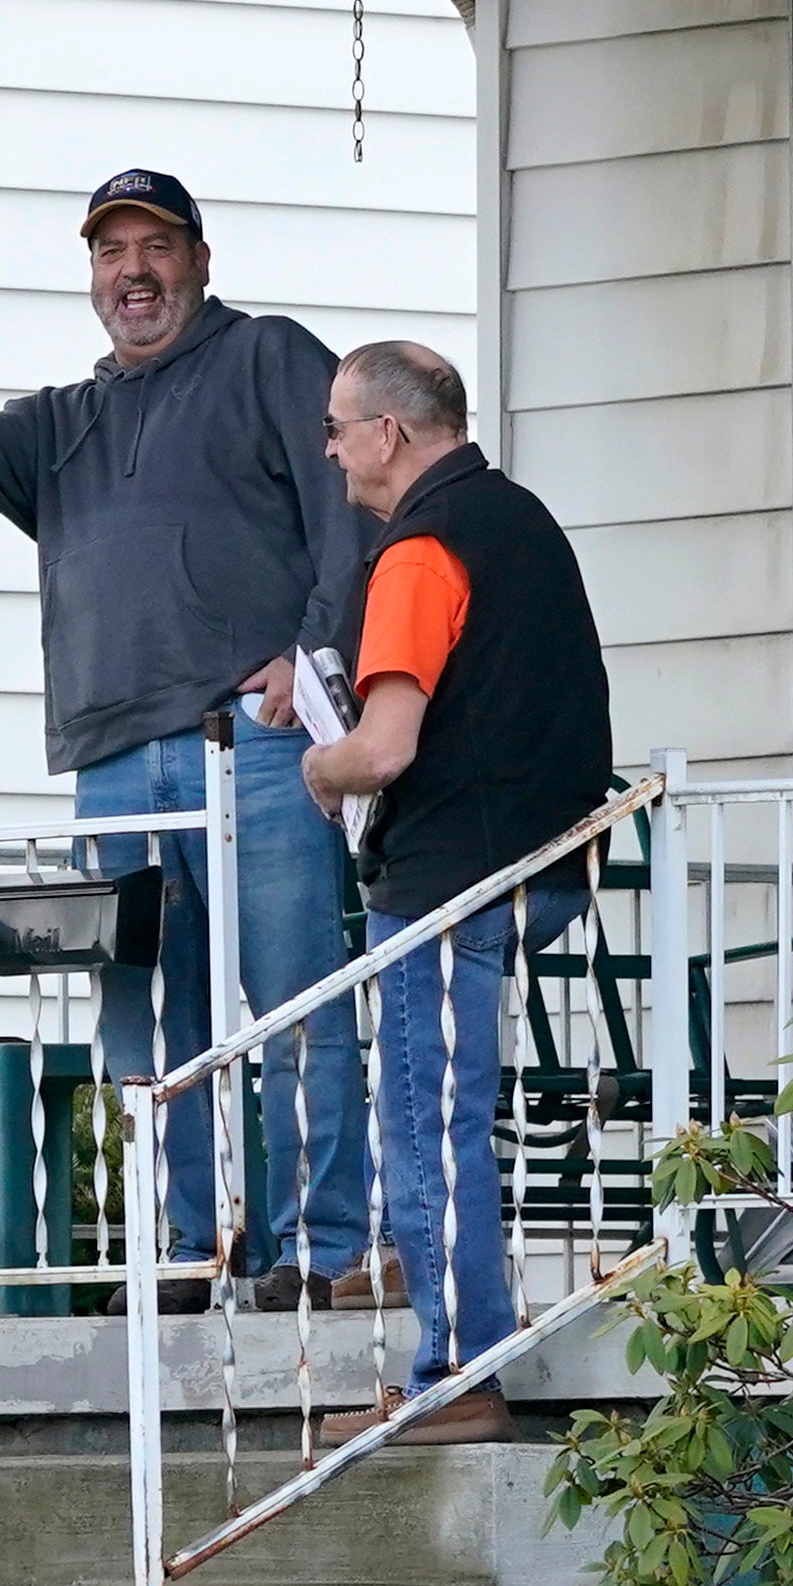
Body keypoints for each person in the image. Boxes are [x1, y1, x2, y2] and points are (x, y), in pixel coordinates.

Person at [0, 168, 376, 1305]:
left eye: (154, 245)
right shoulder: (65, 421)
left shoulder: (266, 357)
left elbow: (352, 505)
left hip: (258, 743)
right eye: (108, 250)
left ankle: (320, 1252)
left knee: (293, 999)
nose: (131, 270)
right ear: (92, 274)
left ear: (198, 258)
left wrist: (313, 649)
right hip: (113, 760)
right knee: (152, 1014)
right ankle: (194, 1244)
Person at [302, 340, 613, 1443]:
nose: (330, 445)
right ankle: (436, 1310)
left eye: (339, 424)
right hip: (542, 857)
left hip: (450, 879)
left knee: (427, 1120)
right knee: (445, 1118)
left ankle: (453, 1371)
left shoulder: (419, 548)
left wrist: (315, 763)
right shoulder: (519, 517)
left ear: (388, 432)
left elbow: (382, 748)